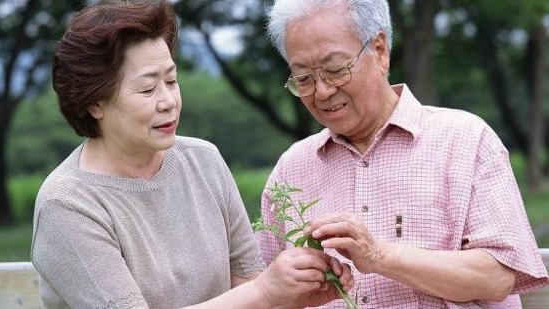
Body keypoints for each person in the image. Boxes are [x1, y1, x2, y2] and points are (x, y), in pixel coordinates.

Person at [30, 1, 354, 308]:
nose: (169, 100)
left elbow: (247, 284)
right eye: (147, 88)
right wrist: (266, 291)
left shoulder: (204, 161)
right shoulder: (68, 204)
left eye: (171, 80)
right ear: (94, 103)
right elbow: (257, 291)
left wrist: (292, 294)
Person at [257, 0, 549, 308]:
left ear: (380, 51)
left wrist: (380, 256)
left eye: (334, 70)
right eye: (303, 78)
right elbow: (263, 289)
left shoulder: (464, 140)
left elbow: (498, 277)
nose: (322, 91)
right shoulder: (292, 168)